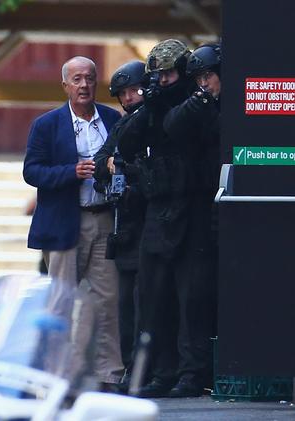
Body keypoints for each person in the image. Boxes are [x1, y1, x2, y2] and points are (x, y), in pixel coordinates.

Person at [23, 56, 124, 393]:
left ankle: (109, 375)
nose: (84, 85)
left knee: (107, 301)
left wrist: (115, 168)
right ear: (65, 85)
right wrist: (71, 172)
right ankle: (55, 375)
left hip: (104, 219)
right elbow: (32, 171)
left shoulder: (112, 119)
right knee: (61, 302)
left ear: (97, 83)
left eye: (90, 79)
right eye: (77, 79)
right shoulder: (47, 124)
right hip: (65, 223)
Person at [116, 39, 194, 398]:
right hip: (158, 212)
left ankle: (189, 374)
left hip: (191, 213)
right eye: (157, 76)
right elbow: (126, 142)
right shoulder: (152, 105)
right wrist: (149, 104)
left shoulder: (195, 104)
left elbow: (182, 130)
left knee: (189, 298)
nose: (162, 81)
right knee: (152, 298)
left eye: (168, 74)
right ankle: (159, 374)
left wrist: (161, 103)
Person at [162, 43, 221, 397]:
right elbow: (171, 125)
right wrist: (197, 100)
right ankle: (195, 371)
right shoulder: (197, 105)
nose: (204, 83)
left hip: (240, 207)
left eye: (208, 76)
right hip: (204, 210)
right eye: (198, 77)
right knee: (197, 295)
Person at [94, 60, 146, 387]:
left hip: (154, 222)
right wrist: (113, 165)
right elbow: (101, 164)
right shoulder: (122, 126)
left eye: (134, 90)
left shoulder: (158, 121)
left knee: (147, 304)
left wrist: (124, 165)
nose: (129, 97)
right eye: (123, 93)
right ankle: (130, 367)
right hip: (125, 226)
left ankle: (149, 369)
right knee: (125, 305)